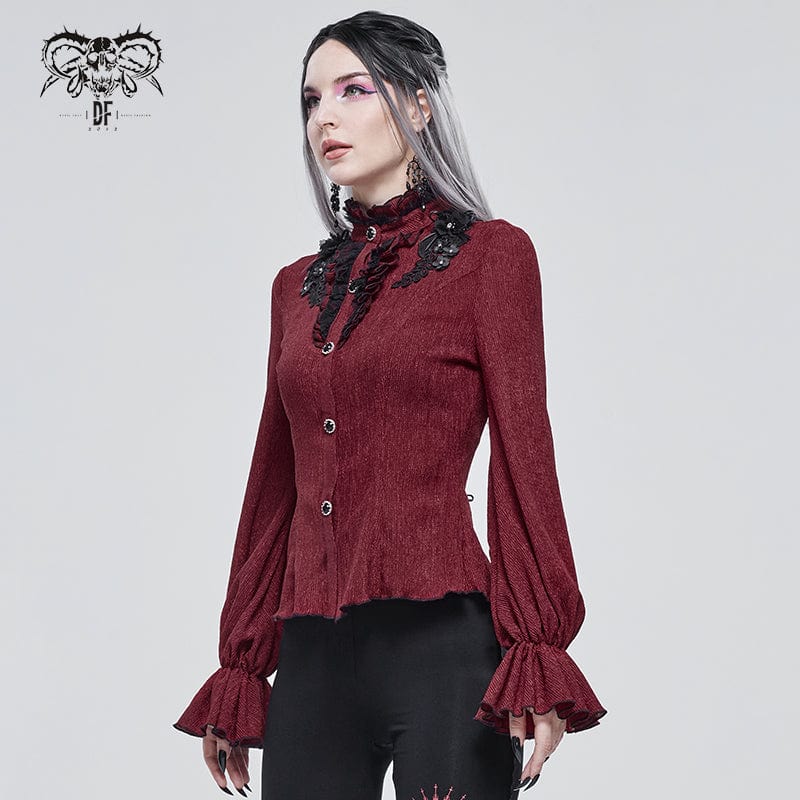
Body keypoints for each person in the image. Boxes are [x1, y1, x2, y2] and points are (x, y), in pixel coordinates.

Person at [173, 10, 608, 799]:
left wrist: (537, 651)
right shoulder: (295, 289)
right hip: (312, 658)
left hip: (446, 657)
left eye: (353, 90)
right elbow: (273, 484)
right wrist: (242, 666)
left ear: (417, 105)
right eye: (311, 100)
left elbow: (524, 460)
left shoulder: (492, 258)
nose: (325, 118)